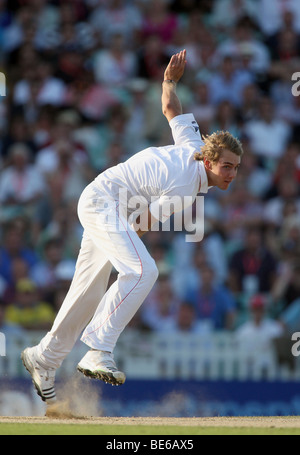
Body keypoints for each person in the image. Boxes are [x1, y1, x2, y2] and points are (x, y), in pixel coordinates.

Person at [21, 50, 243, 405]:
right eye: (228, 166)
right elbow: (143, 223)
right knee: (143, 270)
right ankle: (98, 348)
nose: (232, 174)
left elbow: (171, 108)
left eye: (236, 168)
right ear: (211, 160)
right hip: (102, 203)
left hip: (106, 205)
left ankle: (43, 358)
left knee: (90, 291)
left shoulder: (192, 144)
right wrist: (125, 241)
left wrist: (169, 80)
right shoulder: (188, 183)